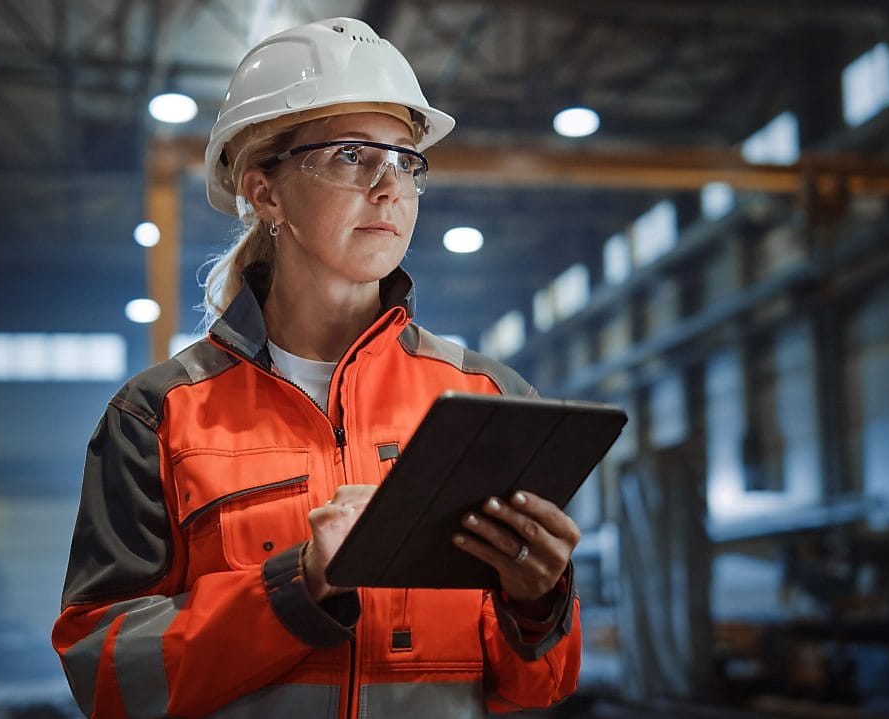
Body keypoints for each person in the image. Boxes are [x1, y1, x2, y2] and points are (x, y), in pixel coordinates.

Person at [52, 17, 582, 718]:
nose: (389, 187)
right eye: (352, 155)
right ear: (265, 193)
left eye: (405, 161)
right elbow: (106, 675)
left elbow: (538, 686)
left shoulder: (488, 396)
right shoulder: (158, 416)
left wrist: (539, 603)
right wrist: (296, 587)